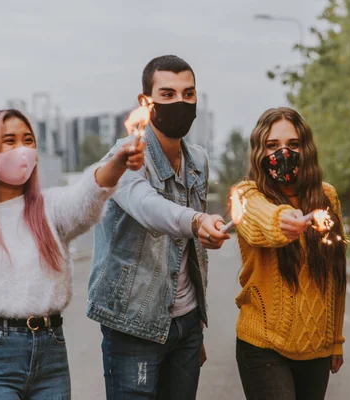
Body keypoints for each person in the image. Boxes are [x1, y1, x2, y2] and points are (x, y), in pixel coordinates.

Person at [0, 109, 145, 400]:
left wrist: (117, 163)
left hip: (50, 352)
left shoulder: (49, 208)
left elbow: (86, 195)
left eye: (28, 140)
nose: (22, 149)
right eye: (9, 140)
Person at [87, 55, 229, 400]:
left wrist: (195, 328)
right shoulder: (124, 156)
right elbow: (147, 207)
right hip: (133, 326)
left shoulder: (199, 159)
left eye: (188, 94)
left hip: (187, 323)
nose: (179, 103)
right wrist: (196, 222)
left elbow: (190, 254)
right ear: (145, 102)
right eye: (167, 94)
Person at [233, 107, 347, 400]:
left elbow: (336, 274)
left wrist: (335, 341)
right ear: (260, 151)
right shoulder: (247, 195)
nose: (283, 153)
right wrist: (284, 220)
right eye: (272, 146)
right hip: (263, 345)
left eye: (292, 145)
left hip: (316, 346)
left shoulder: (327, 197)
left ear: (305, 148)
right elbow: (262, 220)